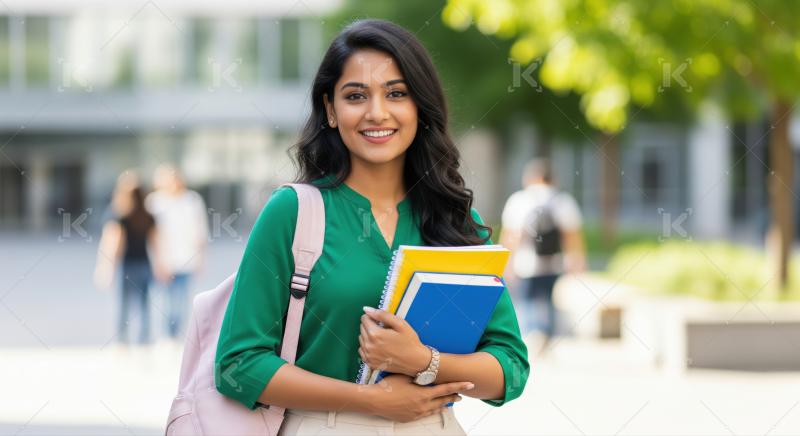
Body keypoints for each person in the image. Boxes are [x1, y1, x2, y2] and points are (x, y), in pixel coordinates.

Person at [214, 19, 529, 434]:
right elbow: (238, 364)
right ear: (330, 109)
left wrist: (423, 362)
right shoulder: (294, 212)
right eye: (356, 96)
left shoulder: (455, 218)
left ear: (419, 106)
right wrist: (371, 400)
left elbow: (510, 367)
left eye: (396, 93)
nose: (376, 112)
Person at [500, 159, 586, 352]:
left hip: (525, 263)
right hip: (554, 262)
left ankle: (531, 333)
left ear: (532, 177)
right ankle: (546, 334)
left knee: (526, 299)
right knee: (548, 298)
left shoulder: (519, 200)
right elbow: (571, 235)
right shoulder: (563, 201)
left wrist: (506, 262)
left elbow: (511, 236)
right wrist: (577, 260)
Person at [94, 170, 163, 345]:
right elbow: (156, 244)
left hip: (127, 266)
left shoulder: (118, 215)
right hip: (145, 265)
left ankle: (122, 341)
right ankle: (144, 339)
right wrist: (160, 265)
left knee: (124, 305)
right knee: (144, 305)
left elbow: (113, 244)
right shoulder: (148, 216)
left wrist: (105, 267)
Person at [145, 164, 208, 341]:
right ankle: (167, 334)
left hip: (187, 258)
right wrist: (157, 261)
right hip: (165, 261)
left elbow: (200, 231)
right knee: (166, 301)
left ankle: (174, 335)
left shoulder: (192, 200)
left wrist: (201, 259)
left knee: (180, 300)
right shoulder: (154, 202)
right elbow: (152, 236)